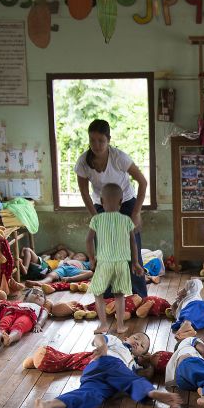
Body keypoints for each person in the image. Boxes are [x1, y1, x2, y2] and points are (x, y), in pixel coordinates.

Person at [34, 333, 182, 408]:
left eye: (142, 345)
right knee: (128, 377)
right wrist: (103, 346)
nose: (138, 342)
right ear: (126, 338)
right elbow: (98, 338)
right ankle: (152, 393)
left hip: (106, 383)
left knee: (92, 397)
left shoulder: (135, 365)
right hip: (105, 362)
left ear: (142, 354)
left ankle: (49, 404)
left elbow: (147, 374)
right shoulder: (116, 343)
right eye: (136, 338)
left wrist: (147, 362)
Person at [75, 119, 148, 297]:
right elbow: (85, 193)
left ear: (109, 140)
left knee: (133, 249)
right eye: (92, 140)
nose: (96, 145)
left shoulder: (119, 157)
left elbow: (143, 182)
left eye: (101, 140)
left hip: (126, 202)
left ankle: (139, 295)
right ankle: (107, 294)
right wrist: (96, 218)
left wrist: (136, 213)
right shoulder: (83, 162)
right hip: (101, 205)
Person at [87, 183, 144, 334]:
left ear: (101, 201)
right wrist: (136, 262)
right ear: (121, 202)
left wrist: (92, 259)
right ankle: (120, 326)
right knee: (119, 295)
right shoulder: (126, 220)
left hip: (104, 263)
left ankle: (103, 325)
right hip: (122, 264)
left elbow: (89, 240)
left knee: (98, 294)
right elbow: (133, 242)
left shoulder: (97, 220)